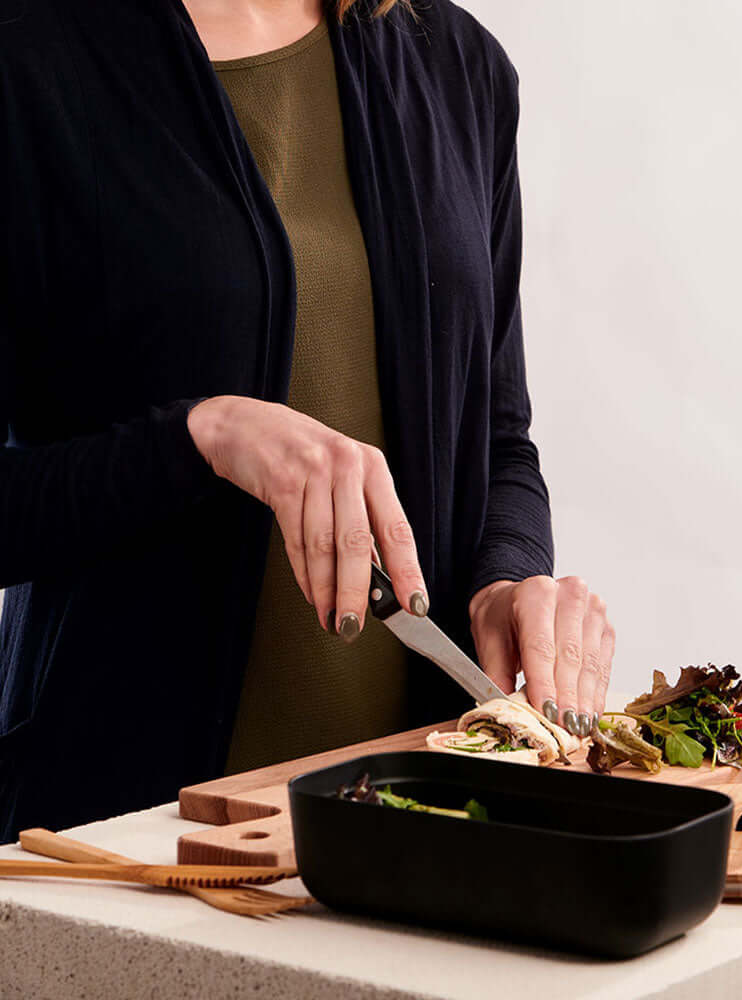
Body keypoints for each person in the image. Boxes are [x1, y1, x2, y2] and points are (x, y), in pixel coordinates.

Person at [0, 0, 615, 841]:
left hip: (430, 835)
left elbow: (500, 440)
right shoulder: (27, 56)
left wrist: (505, 579)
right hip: (128, 841)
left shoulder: (459, 65)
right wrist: (201, 440)